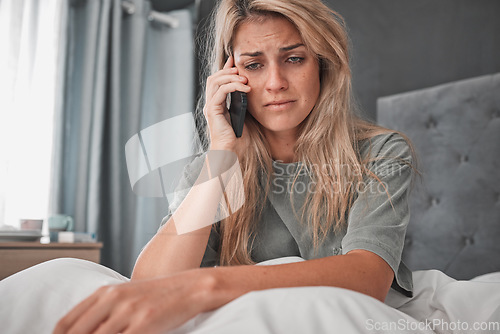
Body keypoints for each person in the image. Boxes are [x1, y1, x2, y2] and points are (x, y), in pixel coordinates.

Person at [54, 0, 415, 332]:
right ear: (230, 78)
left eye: (294, 58)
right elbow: (150, 284)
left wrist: (208, 285)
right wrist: (221, 153)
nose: (275, 83)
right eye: (254, 65)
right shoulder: (211, 168)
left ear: (323, 63)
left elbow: (368, 277)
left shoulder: (380, 153)